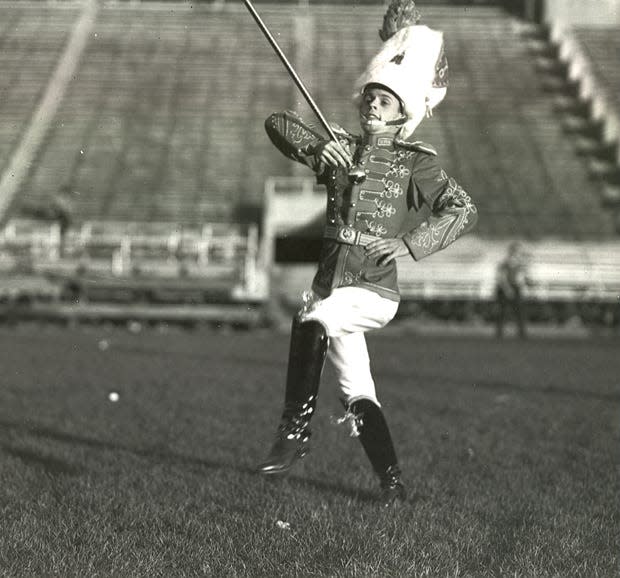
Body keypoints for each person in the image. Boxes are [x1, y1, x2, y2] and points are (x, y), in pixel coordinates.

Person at [256, 0, 478, 505]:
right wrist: (317, 150)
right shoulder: (339, 148)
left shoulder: (414, 164)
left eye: (385, 102)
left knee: (311, 323)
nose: (372, 106)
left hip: (375, 289)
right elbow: (277, 122)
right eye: (370, 97)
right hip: (330, 286)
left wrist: (408, 243)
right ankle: (393, 483)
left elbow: (463, 209)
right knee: (358, 392)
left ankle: (294, 430)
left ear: (404, 114)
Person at [495, 241, 529, 339]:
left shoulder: (519, 264)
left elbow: (521, 278)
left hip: (515, 287)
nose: (520, 253)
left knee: (519, 311)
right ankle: (499, 333)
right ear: (513, 251)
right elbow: (502, 278)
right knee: (503, 311)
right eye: (518, 251)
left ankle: (522, 333)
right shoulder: (505, 263)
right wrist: (508, 290)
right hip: (506, 288)